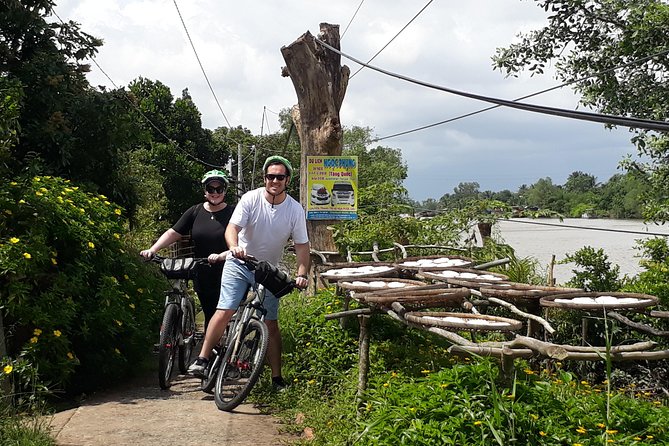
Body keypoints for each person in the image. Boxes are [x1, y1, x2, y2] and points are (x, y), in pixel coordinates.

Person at [188, 155, 310, 390]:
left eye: (280, 177)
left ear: (287, 180)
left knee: (271, 324)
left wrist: (302, 273)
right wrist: (234, 247)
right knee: (225, 310)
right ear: (264, 178)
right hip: (240, 263)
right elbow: (233, 228)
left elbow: (302, 246)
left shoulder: (295, 209)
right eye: (270, 176)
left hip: (269, 270)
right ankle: (202, 359)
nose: (275, 180)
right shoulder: (250, 198)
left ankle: (277, 378)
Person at [140, 169, 234, 332]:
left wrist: (223, 256)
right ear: (205, 191)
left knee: (221, 314)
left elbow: (244, 240)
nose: (215, 193)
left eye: (219, 189)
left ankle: (217, 348)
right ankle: (209, 350)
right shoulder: (195, 211)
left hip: (226, 270)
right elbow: (173, 233)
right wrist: (153, 249)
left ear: (225, 190)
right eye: (211, 189)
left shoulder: (233, 213)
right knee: (209, 313)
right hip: (202, 270)